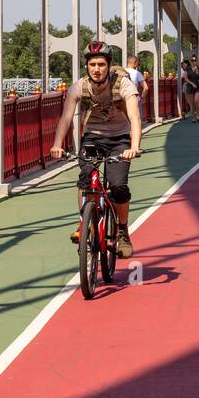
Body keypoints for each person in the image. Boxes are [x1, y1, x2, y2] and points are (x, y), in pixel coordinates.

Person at [50, 41, 142, 259]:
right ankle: (84, 224)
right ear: (87, 66)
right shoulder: (79, 87)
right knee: (85, 178)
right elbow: (65, 118)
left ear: (108, 66)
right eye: (92, 65)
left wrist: (135, 146)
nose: (97, 69)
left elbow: (134, 117)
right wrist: (57, 144)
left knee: (118, 186)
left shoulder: (123, 85)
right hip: (93, 138)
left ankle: (122, 231)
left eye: (101, 64)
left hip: (119, 139)